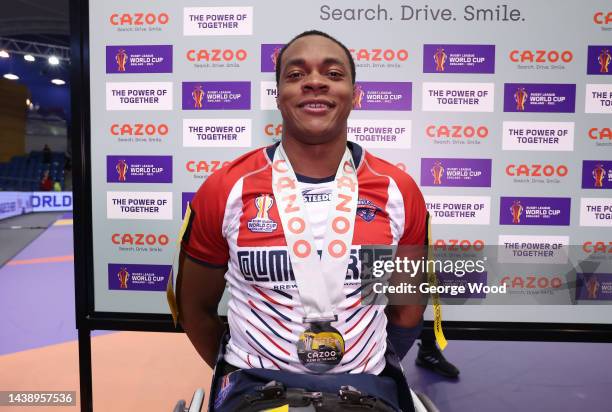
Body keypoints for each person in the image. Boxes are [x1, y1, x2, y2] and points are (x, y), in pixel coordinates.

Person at [176, 30, 429, 411]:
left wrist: (364, 364)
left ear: (355, 95)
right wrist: (248, 367)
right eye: (295, 75)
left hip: (365, 388)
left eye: (333, 73)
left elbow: (407, 308)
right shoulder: (225, 187)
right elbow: (194, 307)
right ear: (278, 95)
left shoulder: (398, 190)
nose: (314, 82)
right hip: (255, 388)